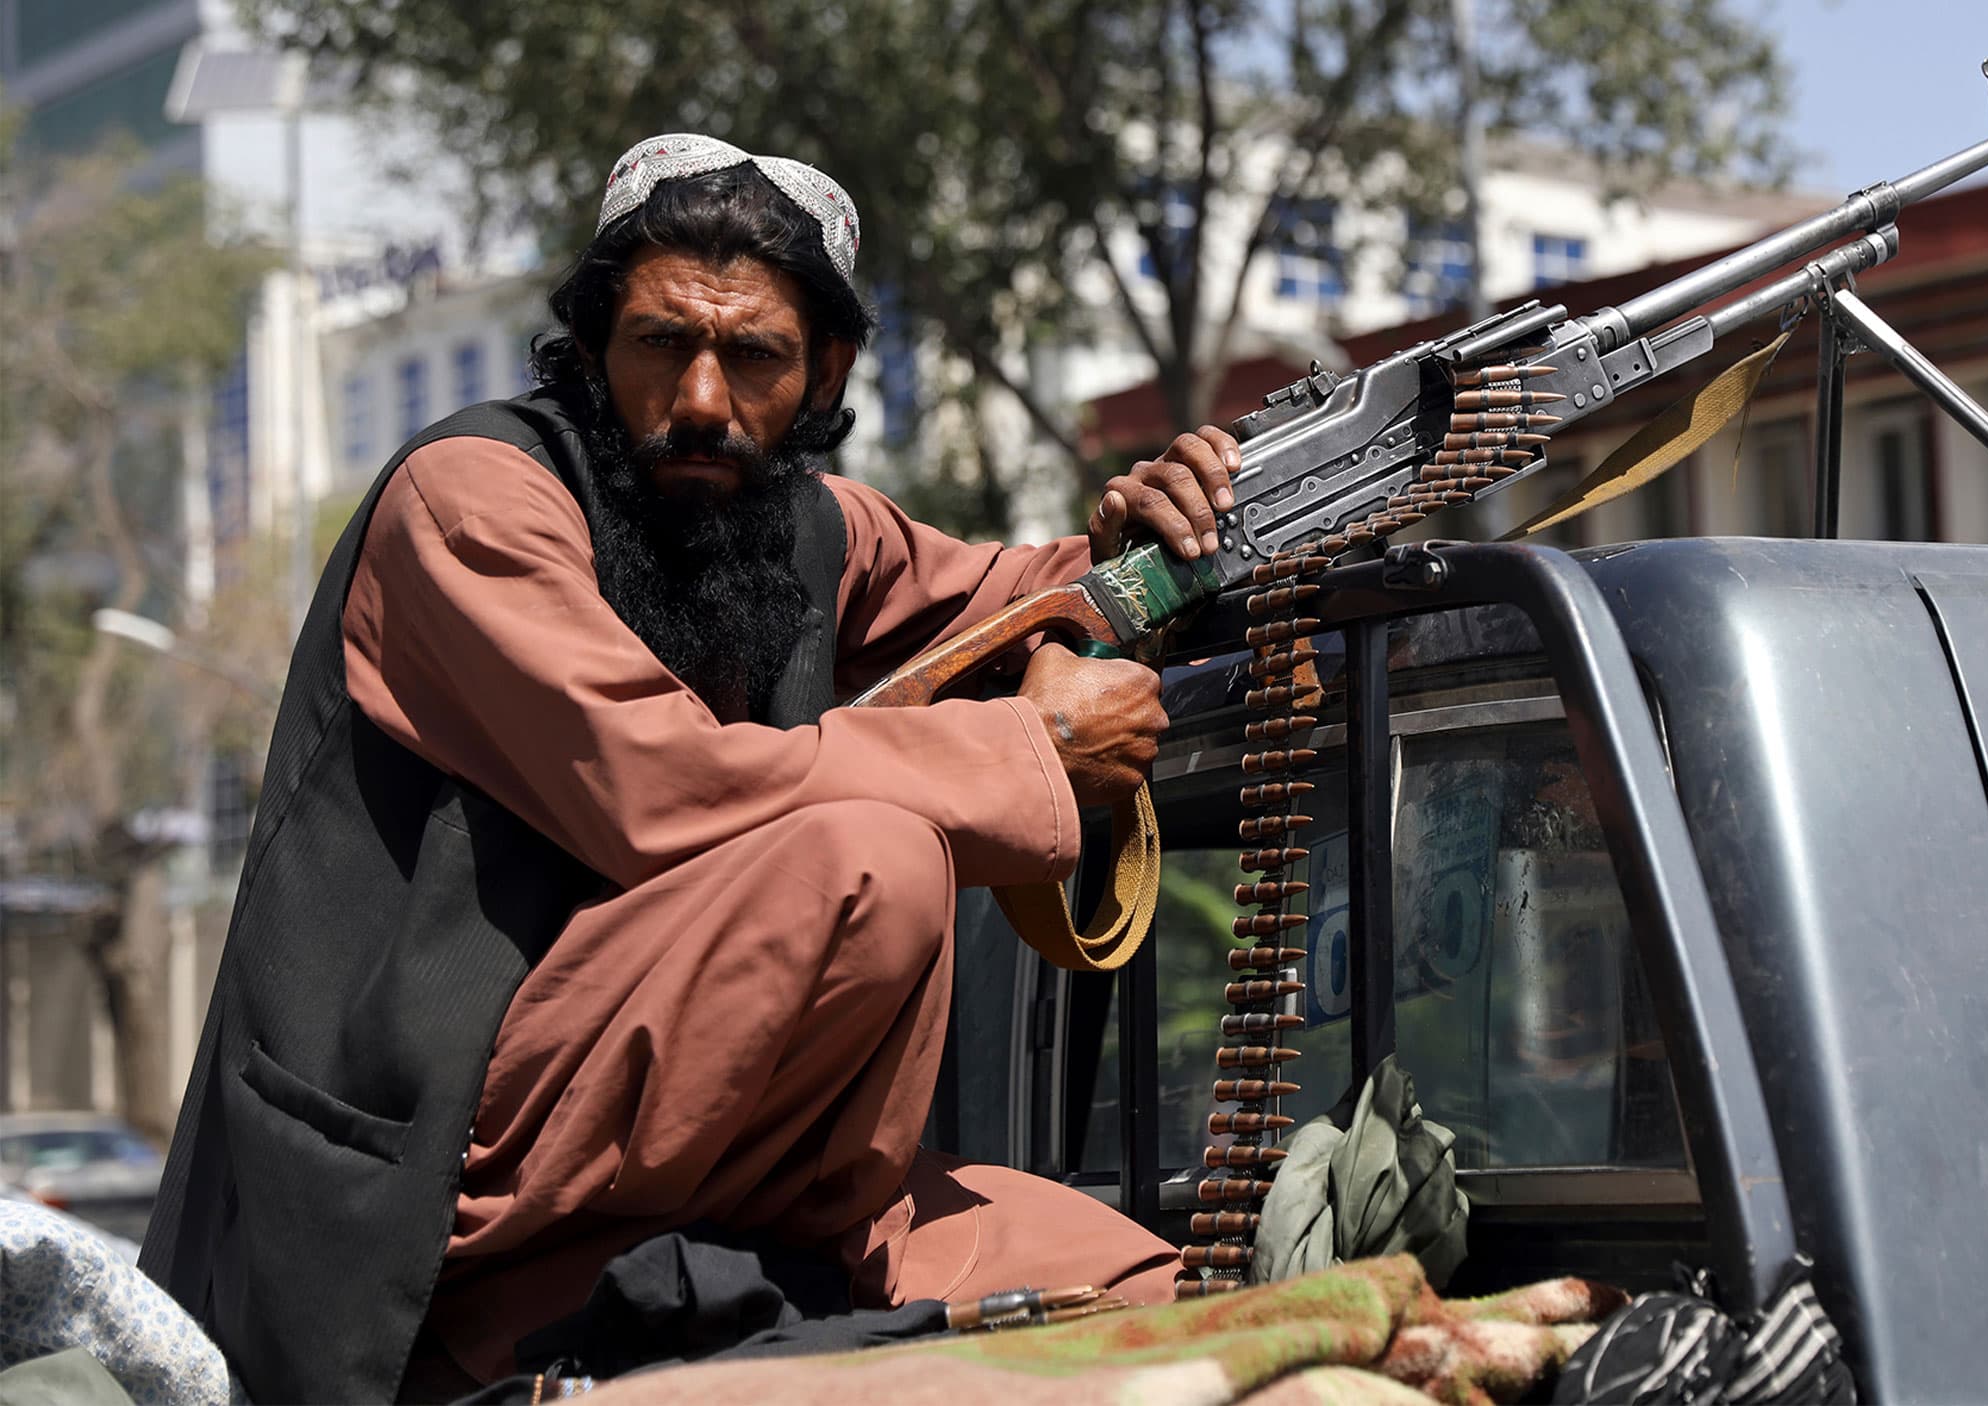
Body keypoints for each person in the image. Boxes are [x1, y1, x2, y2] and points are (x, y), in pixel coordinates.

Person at [139, 133, 1245, 1403]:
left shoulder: (810, 528)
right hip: (438, 1188)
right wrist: (1026, 751)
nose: (705, 399)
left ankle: (770, 1283)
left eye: (755, 356)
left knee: (1167, 1295)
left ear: (824, 367)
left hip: (720, 1181)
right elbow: (660, 789)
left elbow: (1011, 599)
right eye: (663, 343)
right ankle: (560, 1319)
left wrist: (1144, 533)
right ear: (596, 345)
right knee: (868, 860)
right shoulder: (472, 501)